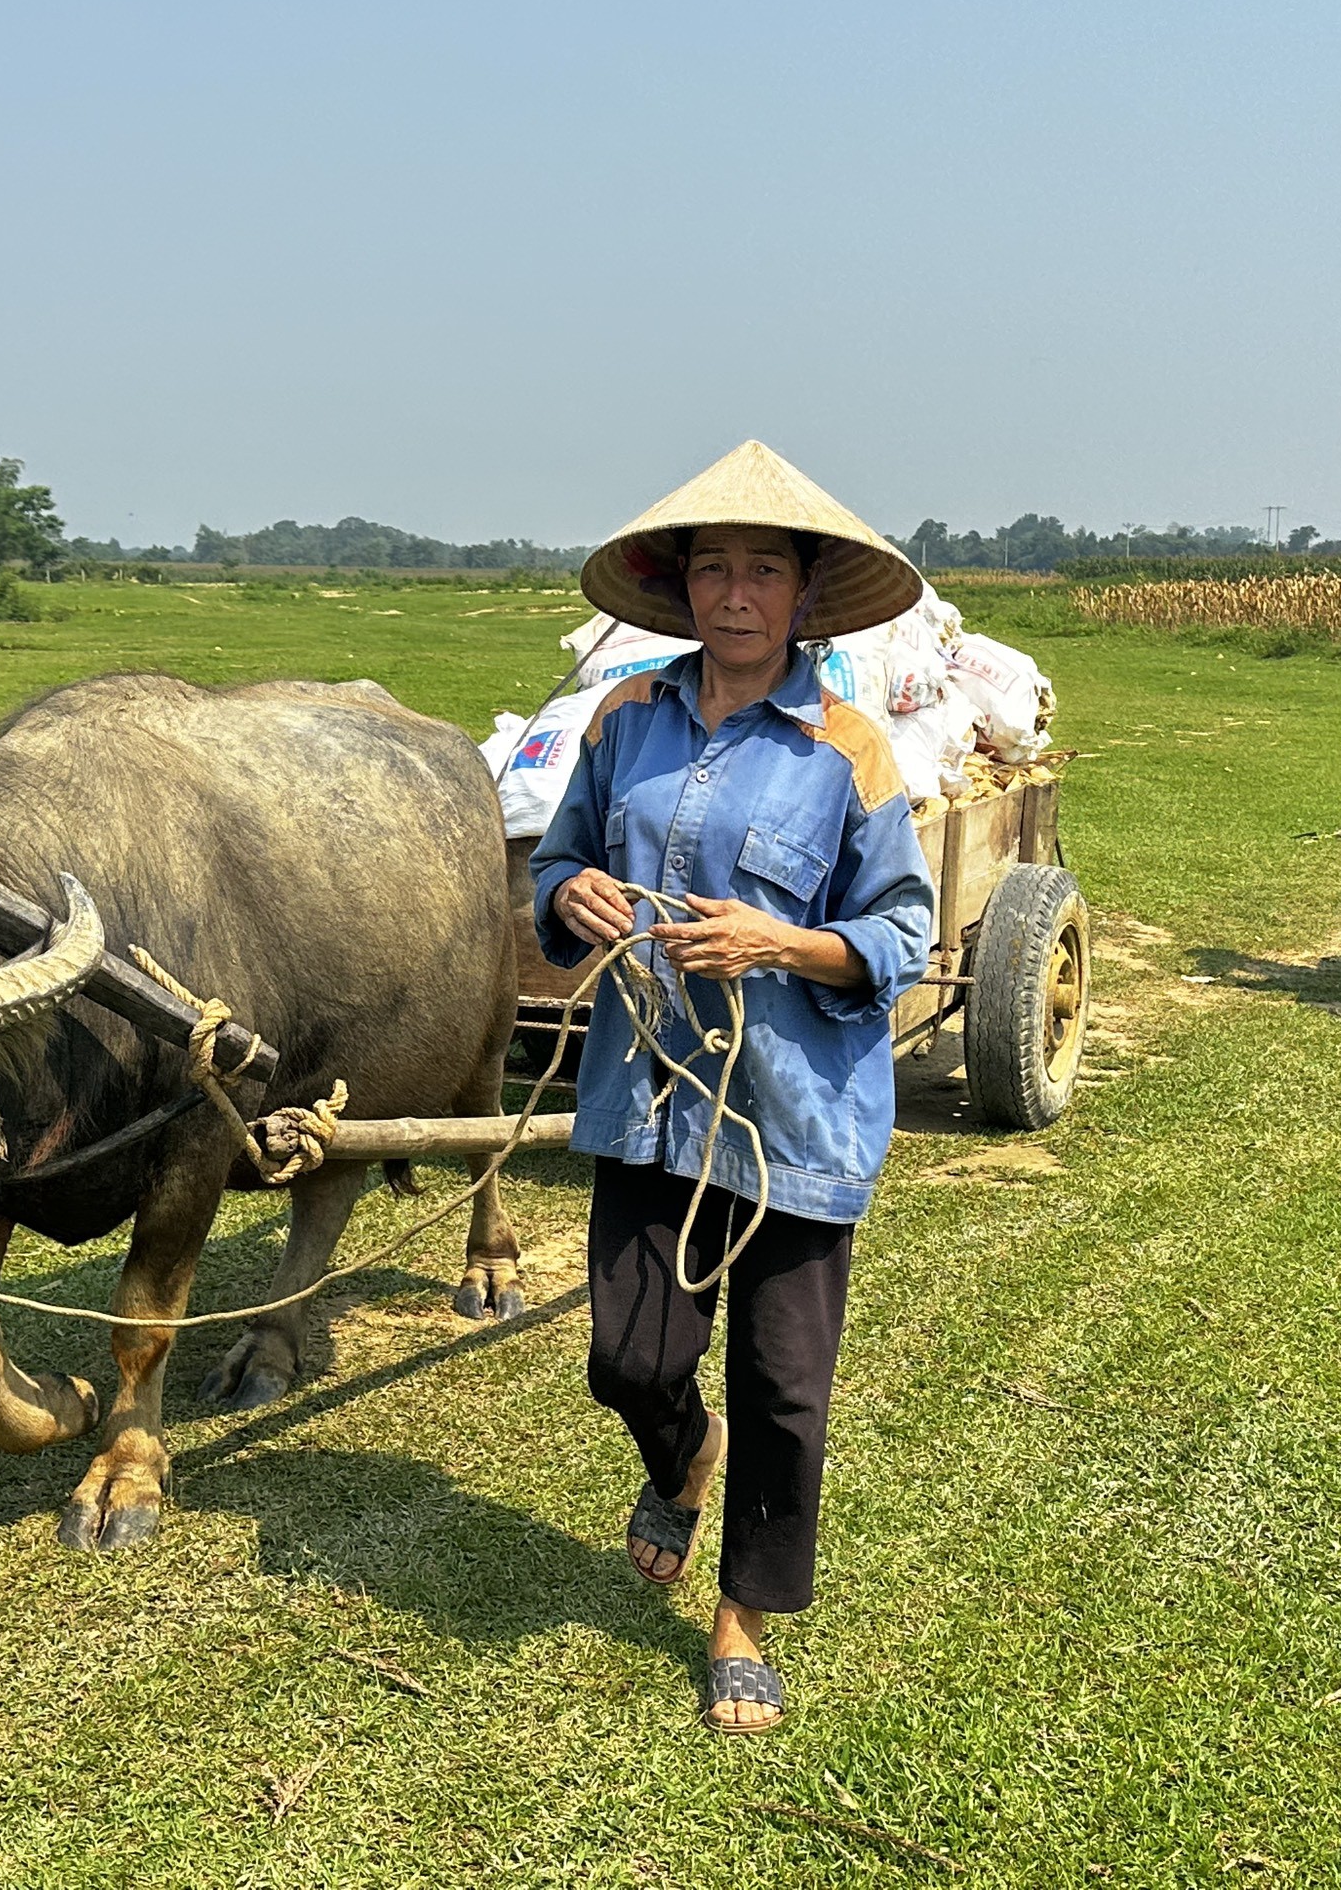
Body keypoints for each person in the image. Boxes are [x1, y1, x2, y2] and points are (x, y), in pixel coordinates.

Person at [531, 440, 936, 1733]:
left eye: (765, 571)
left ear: (805, 596)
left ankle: (743, 1615)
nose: (738, 594)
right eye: (715, 569)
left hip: (794, 1119)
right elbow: (560, 860)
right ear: (681, 586)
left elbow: (901, 935)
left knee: (783, 1386)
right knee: (628, 1356)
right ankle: (679, 1454)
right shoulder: (625, 721)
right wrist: (571, 890)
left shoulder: (849, 753)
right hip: (647, 1097)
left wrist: (779, 942)